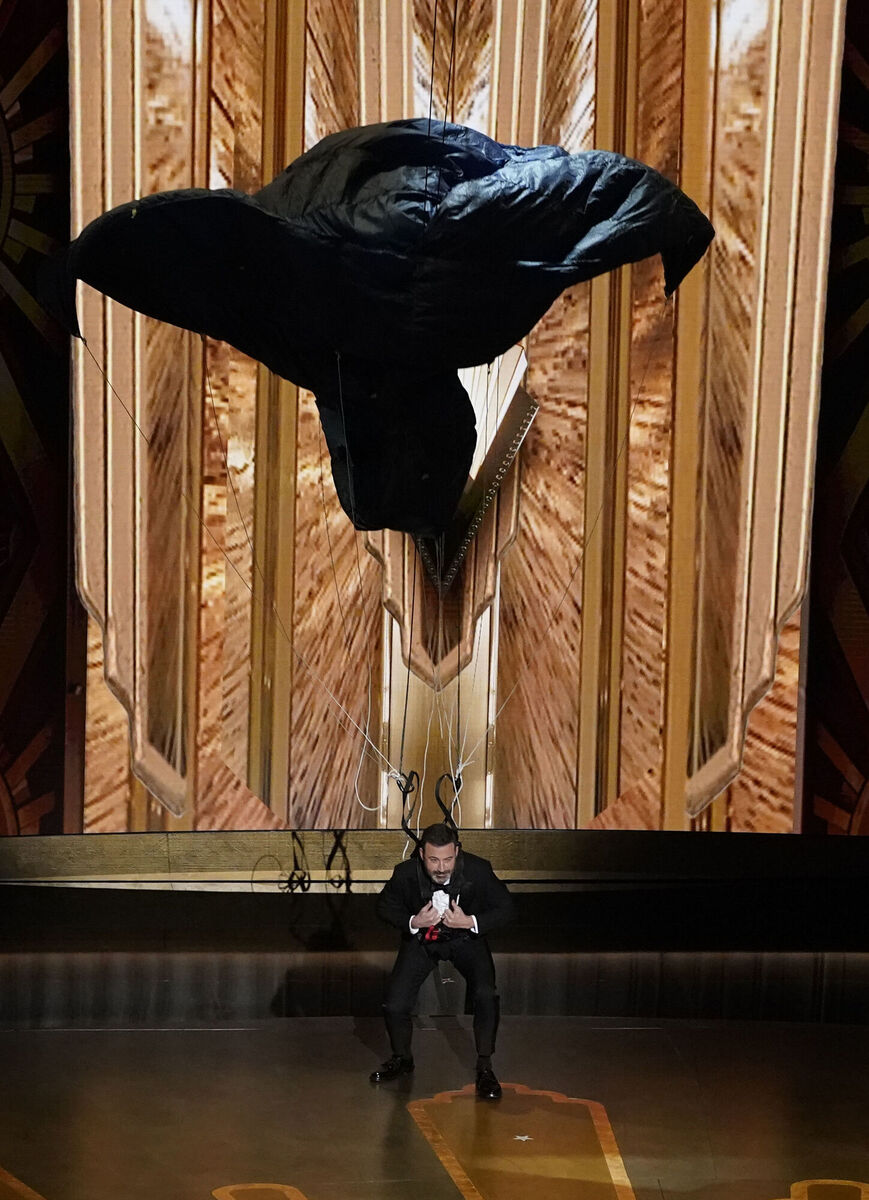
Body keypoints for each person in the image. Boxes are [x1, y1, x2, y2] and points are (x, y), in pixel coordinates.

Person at [370, 822, 515, 1099]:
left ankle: (485, 1066)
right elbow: (384, 906)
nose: (441, 868)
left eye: (448, 859)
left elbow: (506, 908)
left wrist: (470, 921)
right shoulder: (405, 873)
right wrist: (413, 921)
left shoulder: (477, 869)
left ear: (457, 853)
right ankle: (403, 1058)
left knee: (486, 994)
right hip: (423, 942)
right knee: (395, 1003)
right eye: (434, 860)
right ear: (422, 855)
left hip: (465, 941)